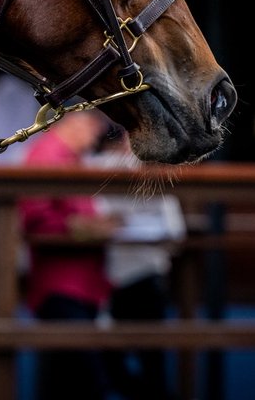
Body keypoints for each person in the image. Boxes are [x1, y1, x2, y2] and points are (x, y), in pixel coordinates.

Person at [19, 111, 119, 400]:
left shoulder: (67, 158)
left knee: (66, 379)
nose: (95, 139)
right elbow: (35, 220)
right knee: (84, 379)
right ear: (77, 122)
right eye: (94, 130)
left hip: (80, 285)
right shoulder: (47, 156)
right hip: (61, 286)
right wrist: (86, 228)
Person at [90, 133, 185, 400]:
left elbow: (175, 232)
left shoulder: (154, 171)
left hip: (144, 279)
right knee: (109, 365)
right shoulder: (99, 167)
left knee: (150, 363)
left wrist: (123, 223)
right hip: (107, 282)